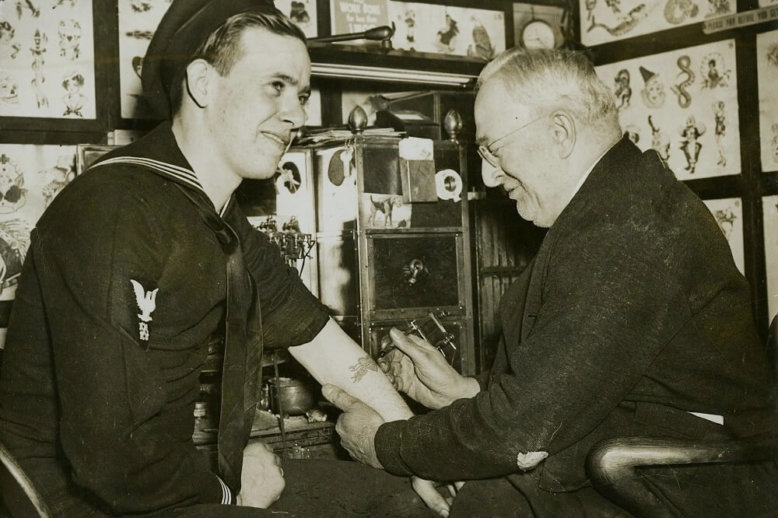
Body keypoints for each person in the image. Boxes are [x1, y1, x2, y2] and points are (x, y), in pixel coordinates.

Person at [0, 1, 449, 517]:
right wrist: (229, 492)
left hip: (154, 480)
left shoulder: (213, 214)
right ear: (203, 84)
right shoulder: (118, 210)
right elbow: (111, 459)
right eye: (275, 86)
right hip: (81, 501)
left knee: (403, 503)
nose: (297, 115)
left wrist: (419, 455)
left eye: (300, 95)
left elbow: (324, 346)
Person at [324, 48, 778, 517]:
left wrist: (384, 444)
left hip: (689, 488)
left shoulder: (624, 230)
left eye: (493, 150)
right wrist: (468, 393)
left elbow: (520, 429)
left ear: (560, 132)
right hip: (638, 462)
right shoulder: (614, 205)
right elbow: (579, 382)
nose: (488, 175)